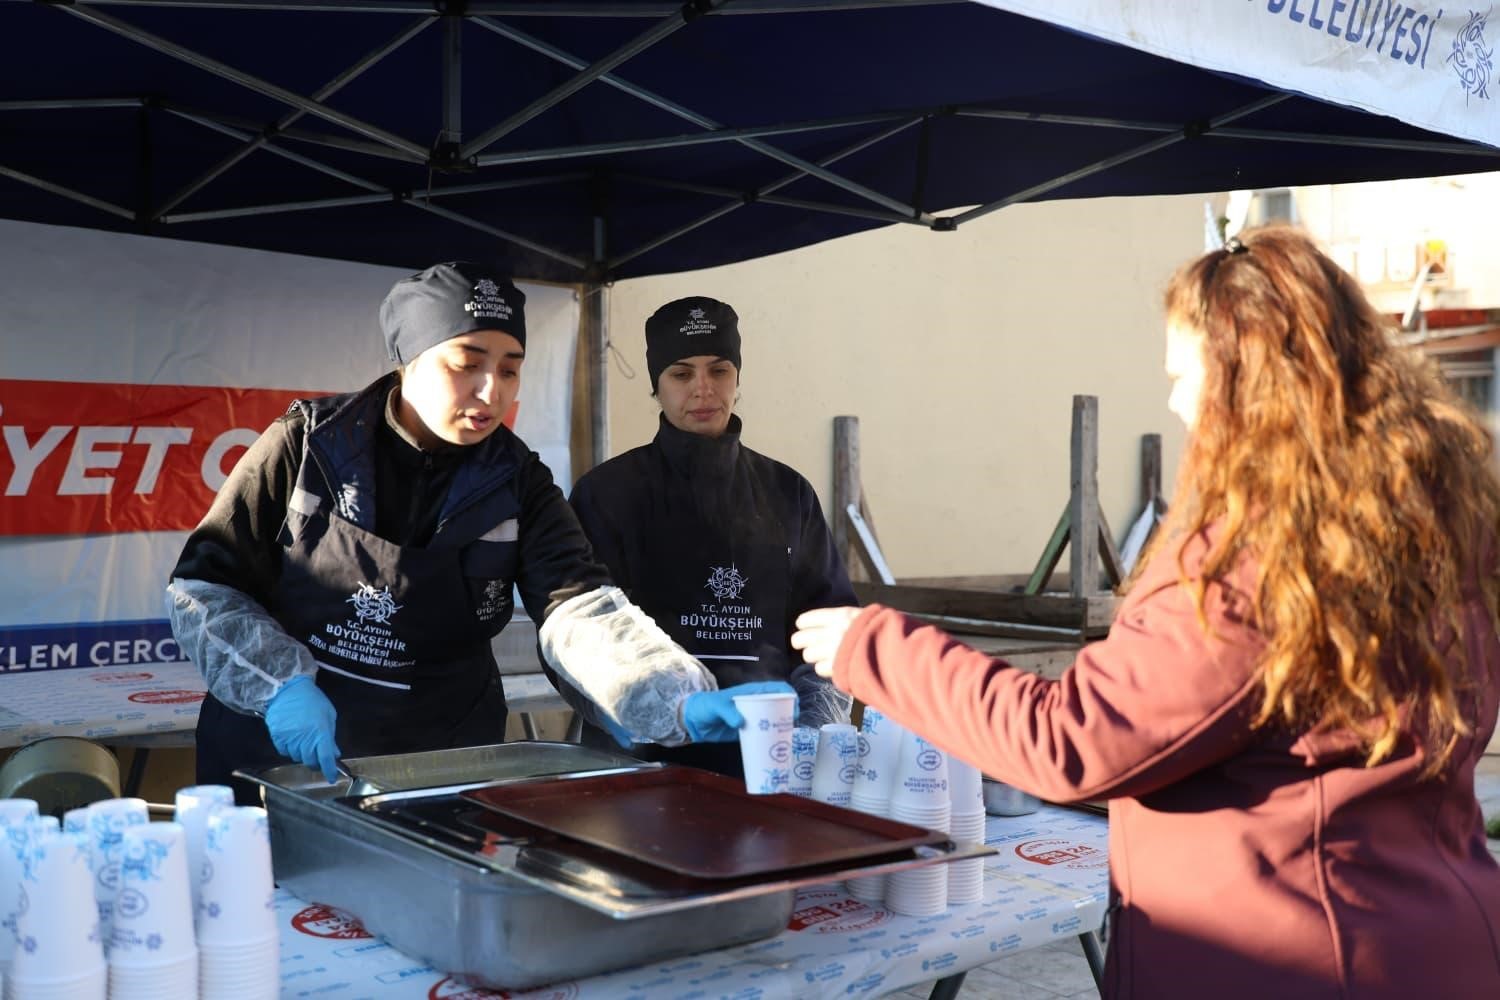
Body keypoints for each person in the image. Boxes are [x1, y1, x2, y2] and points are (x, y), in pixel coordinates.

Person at [791, 228, 1500, 998]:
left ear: (1246, 376)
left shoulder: (1257, 565)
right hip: (1429, 935)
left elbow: (1074, 739)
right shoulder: (1429, 529)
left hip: (1299, 963)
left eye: (1183, 373)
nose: (1175, 402)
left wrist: (875, 647)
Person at [167, 262, 791, 803]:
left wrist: (668, 694)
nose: (492, 392)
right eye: (467, 363)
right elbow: (205, 588)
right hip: (282, 754)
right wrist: (277, 687)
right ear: (408, 360)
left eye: (511, 369)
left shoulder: (517, 481)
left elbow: (578, 609)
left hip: (438, 761)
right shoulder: (309, 444)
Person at [565, 296, 855, 776]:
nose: (703, 389)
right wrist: (647, 716)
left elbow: (827, 631)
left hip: (765, 766)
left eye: (718, 370)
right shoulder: (607, 494)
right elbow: (578, 642)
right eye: (681, 374)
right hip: (635, 768)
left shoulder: (788, 492)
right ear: (657, 386)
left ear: (737, 378)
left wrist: (807, 737)